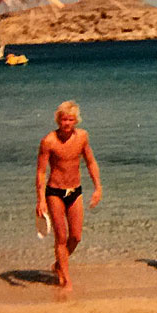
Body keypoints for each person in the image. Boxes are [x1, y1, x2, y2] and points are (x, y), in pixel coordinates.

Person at [36, 101, 102, 291]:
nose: (66, 123)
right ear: (58, 119)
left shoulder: (82, 137)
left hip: (75, 190)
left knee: (76, 236)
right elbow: (41, 172)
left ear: (76, 121)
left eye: (70, 120)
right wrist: (40, 199)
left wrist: (98, 187)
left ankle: (58, 264)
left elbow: (90, 161)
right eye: (64, 119)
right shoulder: (48, 141)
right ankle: (66, 279)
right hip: (54, 192)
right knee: (61, 237)